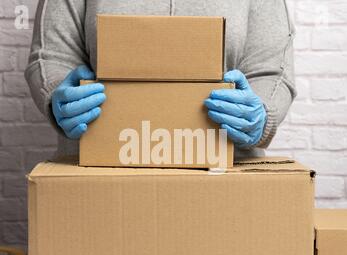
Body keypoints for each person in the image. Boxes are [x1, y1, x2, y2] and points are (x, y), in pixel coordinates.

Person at [25, 0, 296, 159]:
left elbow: (271, 68)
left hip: (225, 175)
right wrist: (57, 96)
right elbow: (51, 56)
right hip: (99, 173)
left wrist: (260, 113)